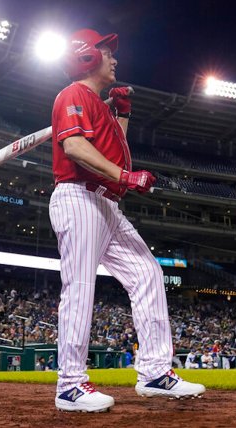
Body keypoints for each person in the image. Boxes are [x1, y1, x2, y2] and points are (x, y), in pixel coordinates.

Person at [49, 28, 204, 413]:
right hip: (79, 195)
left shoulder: (96, 103)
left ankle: (154, 372)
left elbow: (114, 149)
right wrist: (125, 178)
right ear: (86, 57)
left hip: (106, 204)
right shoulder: (72, 94)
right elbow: (74, 146)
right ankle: (69, 385)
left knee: (149, 273)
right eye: (106, 51)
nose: (114, 58)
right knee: (81, 287)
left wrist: (121, 113)